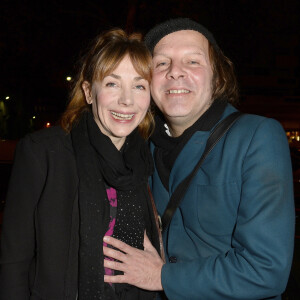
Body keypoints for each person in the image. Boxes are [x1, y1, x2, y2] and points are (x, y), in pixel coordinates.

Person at [102, 18, 295, 299]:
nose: (175, 72)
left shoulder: (256, 136)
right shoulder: (143, 147)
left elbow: (266, 270)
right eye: (162, 63)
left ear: (217, 76)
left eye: (192, 62)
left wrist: (162, 276)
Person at [0, 28, 162, 299]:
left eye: (139, 85)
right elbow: (14, 259)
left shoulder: (146, 159)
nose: (127, 100)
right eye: (112, 83)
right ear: (88, 91)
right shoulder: (44, 152)